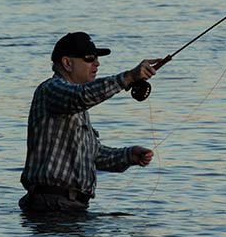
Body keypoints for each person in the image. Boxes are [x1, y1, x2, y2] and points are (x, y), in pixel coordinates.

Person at [19, 31, 161, 213]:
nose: (97, 63)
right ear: (67, 63)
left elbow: (93, 155)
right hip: (51, 206)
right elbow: (81, 96)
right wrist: (128, 78)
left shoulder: (75, 105)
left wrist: (129, 156)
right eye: (89, 58)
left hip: (71, 207)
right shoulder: (51, 90)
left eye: (97, 58)